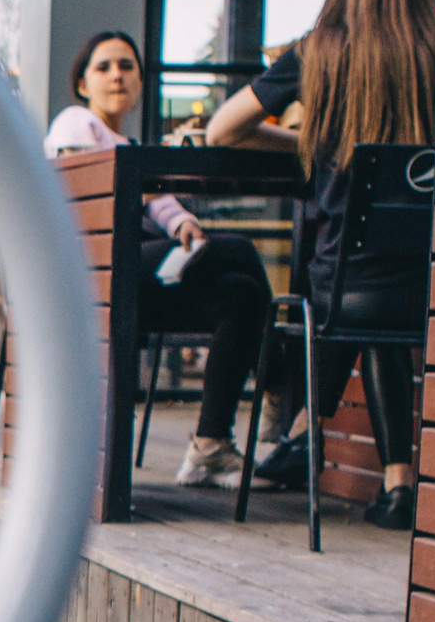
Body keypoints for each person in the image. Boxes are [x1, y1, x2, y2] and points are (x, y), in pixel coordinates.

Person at [207, 0, 435, 530]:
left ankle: (303, 432)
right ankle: (390, 478)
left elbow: (225, 129)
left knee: (353, 285)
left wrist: (306, 140)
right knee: (383, 292)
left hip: (341, 289)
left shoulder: (318, 50)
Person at [47, 31, 274, 490]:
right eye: (105, 66)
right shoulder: (76, 123)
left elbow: (159, 202)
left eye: (128, 66)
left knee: (242, 295)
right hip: (90, 278)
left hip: (133, 283)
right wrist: (162, 184)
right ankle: (280, 382)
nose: (117, 75)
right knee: (240, 250)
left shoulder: (129, 144)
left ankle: (209, 446)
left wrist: (183, 224)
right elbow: (88, 188)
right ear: (82, 84)